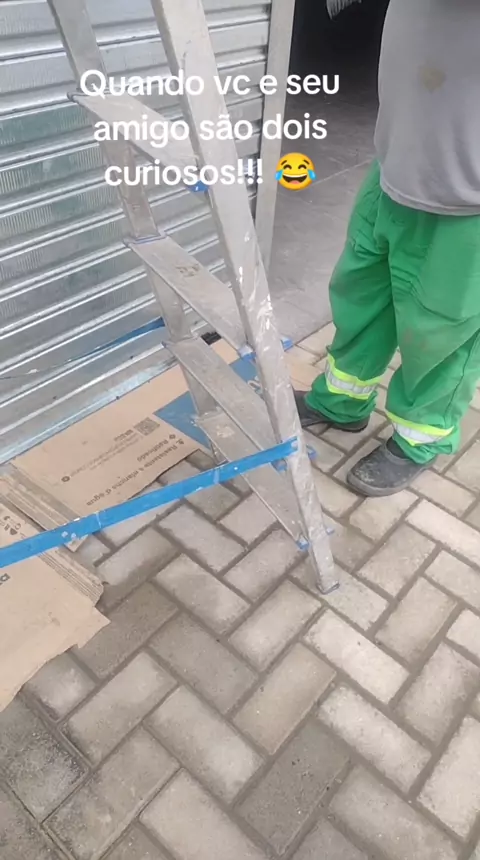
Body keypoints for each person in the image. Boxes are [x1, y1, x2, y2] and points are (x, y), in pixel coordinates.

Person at [296, 0, 480, 497]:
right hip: (397, 161)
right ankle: (342, 400)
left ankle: (418, 440)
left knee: (440, 330)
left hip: (468, 201)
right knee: (362, 295)